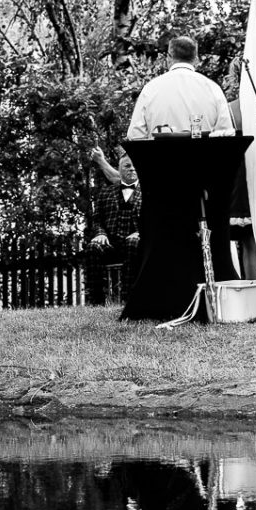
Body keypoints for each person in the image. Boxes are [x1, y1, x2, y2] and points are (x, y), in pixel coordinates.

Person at [128, 34, 236, 139]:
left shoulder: (150, 89)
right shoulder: (213, 88)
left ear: (168, 58)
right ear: (196, 60)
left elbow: (135, 135)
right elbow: (225, 134)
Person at [87, 144, 143, 306]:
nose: (132, 169)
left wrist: (140, 232)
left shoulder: (148, 192)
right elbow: (96, 219)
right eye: (127, 166)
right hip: (112, 243)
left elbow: (153, 220)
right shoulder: (106, 193)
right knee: (93, 247)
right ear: (119, 169)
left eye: (134, 166)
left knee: (133, 242)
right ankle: (95, 302)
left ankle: (129, 300)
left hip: (136, 244)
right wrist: (100, 234)